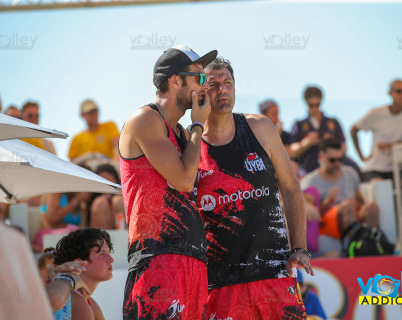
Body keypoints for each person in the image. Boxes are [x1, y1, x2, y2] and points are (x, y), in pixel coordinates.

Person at [198, 57, 311, 319]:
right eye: (213, 85)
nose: (222, 90)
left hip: (274, 274)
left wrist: (299, 247)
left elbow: (292, 189)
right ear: (201, 92)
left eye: (228, 83)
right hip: (220, 283)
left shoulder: (259, 128)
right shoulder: (191, 143)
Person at [120, 45, 216, 319]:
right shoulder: (145, 119)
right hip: (157, 257)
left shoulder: (183, 135)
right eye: (199, 78)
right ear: (175, 81)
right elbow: (185, 181)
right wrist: (198, 125)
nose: (204, 85)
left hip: (193, 259)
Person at [350, 79, 402, 205]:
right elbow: (354, 129)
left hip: (399, 167)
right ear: (390, 93)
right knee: (380, 188)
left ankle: (393, 211)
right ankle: (390, 215)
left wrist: (391, 146)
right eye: (399, 91)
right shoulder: (377, 113)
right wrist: (361, 156)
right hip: (376, 167)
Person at [301, 138, 379, 240]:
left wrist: (356, 203)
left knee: (371, 208)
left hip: (352, 215)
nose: (337, 164)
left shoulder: (350, 173)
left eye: (340, 160)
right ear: (321, 157)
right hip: (328, 221)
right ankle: (352, 248)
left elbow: (361, 201)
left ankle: (374, 246)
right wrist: (328, 201)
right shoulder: (310, 181)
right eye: (332, 160)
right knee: (347, 206)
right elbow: (312, 214)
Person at [290, 86, 360, 177]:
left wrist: (329, 142)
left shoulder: (333, 122)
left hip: (332, 173)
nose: (315, 108)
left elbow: (344, 148)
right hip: (307, 173)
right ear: (306, 103)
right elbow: (291, 151)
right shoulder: (299, 124)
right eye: (311, 105)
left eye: (317, 105)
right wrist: (307, 142)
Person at [53, 227, 114, 320]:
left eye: (108, 252)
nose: (111, 259)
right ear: (79, 264)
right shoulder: (78, 302)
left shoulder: (86, 300)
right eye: (102, 254)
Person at [89, 164, 124, 229]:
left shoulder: (119, 199)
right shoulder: (96, 201)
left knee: (117, 201)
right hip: (101, 231)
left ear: (115, 180)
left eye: (108, 180)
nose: (106, 185)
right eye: (102, 181)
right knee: (100, 203)